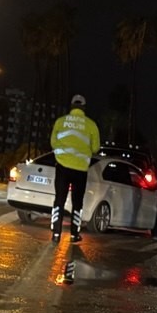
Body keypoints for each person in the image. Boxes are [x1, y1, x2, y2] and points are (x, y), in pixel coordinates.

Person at [48, 95, 101, 279]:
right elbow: (95, 148)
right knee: (77, 202)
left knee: (59, 200)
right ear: (84, 108)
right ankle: (74, 234)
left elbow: (53, 143)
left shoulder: (61, 122)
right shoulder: (91, 125)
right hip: (80, 169)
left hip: (62, 166)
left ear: (71, 106)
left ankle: (55, 232)